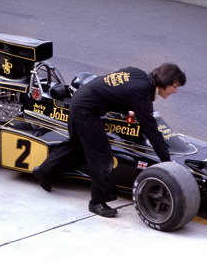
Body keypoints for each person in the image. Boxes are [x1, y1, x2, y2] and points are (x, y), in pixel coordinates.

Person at [32, 63, 186, 217]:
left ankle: (44, 171)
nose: (176, 90)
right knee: (101, 155)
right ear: (165, 82)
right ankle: (97, 202)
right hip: (86, 110)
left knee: (77, 144)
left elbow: (116, 90)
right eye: (175, 86)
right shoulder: (142, 92)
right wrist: (166, 161)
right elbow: (151, 129)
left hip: (79, 100)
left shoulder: (137, 73)